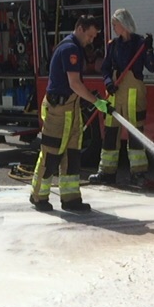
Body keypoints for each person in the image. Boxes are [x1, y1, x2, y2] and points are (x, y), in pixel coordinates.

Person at [30, 14, 108, 213]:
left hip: (70, 109)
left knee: (72, 155)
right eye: (90, 35)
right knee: (51, 153)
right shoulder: (70, 49)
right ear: (80, 28)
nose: (91, 40)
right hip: (59, 110)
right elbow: (74, 83)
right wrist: (96, 102)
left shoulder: (75, 47)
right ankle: (39, 196)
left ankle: (71, 198)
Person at [89, 9, 154, 187]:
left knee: (135, 135)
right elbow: (105, 68)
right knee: (110, 134)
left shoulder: (140, 43)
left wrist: (149, 49)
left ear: (124, 24)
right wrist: (108, 83)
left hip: (134, 95)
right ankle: (106, 172)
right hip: (115, 94)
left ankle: (138, 174)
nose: (113, 27)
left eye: (115, 24)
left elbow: (152, 67)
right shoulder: (113, 45)